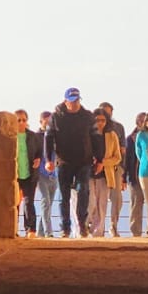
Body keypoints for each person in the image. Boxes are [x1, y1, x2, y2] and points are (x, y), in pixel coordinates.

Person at [49, 87, 96, 237]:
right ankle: (65, 228)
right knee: (63, 195)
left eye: (77, 100)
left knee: (83, 190)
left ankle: (82, 224)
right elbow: (48, 138)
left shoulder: (88, 116)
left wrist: (99, 157)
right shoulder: (56, 117)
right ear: (65, 101)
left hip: (84, 161)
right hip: (64, 161)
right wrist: (49, 159)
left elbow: (96, 137)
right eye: (72, 101)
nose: (74, 104)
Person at [89, 110, 124, 237]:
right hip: (88, 173)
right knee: (91, 203)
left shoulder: (111, 135)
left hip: (105, 174)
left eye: (103, 120)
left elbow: (117, 157)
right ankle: (87, 227)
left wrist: (103, 163)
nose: (100, 123)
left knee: (102, 205)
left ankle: (98, 233)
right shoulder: (87, 134)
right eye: (97, 120)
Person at [13, 109, 43, 238]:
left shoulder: (33, 136)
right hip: (14, 176)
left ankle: (30, 229)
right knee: (15, 203)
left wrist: (38, 159)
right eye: (18, 120)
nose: (21, 123)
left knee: (29, 202)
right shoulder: (10, 136)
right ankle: (13, 228)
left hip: (30, 174)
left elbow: (40, 151)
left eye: (24, 120)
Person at [35, 111, 58, 238]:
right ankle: (49, 232)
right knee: (45, 202)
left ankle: (40, 233)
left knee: (49, 204)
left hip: (54, 175)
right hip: (41, 174)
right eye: (46, 120)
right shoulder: (36, 137)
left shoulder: (56, 136)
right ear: (41, 121)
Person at [126, 113, 148, 236]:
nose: (143, 122)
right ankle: (136, 232)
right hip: (135, 176)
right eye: (141, 120)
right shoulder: (131, 139)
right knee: (136, 204)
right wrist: (124, 177)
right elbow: (127, 159)